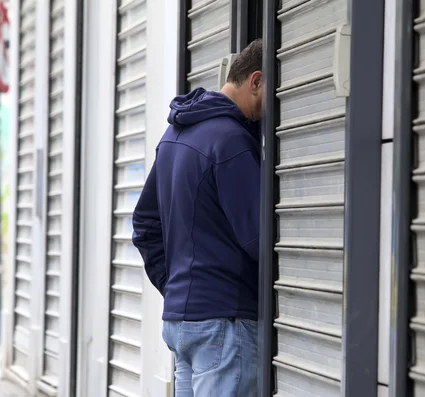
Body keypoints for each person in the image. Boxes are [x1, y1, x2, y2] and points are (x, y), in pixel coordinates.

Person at [131, 39, 263, 397]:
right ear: (256, 81)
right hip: (224, 321)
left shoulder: (173, 136)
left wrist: (177, 286)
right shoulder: (232, 140)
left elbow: (144, 224)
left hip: (181, 322)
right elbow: (259, 239)